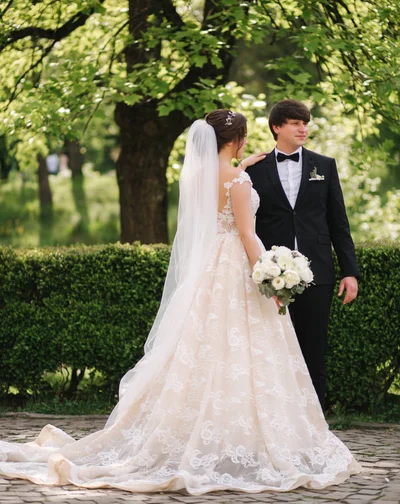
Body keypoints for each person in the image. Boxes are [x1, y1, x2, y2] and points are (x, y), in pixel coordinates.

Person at [0, 110, 361, 494]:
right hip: (236, 269)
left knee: (204, 351)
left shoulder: (201, 176)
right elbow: (248, 236)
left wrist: (246, 165)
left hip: (209, 272)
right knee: (247, 353)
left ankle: (199, 433)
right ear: (235, 139)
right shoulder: (237, 179)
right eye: (243, 137)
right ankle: (247, 438)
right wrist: (271, 279)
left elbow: (223, 199)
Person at [244, 99, 360, 410]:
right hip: (268, 277)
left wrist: (350, 271)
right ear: (276, 127)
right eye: (295, 123)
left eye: (305, 122)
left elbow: (339, 223)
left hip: (317, 273)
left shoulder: (324, 165)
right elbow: (244, 223)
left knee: (313, 349)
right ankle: (276, 418)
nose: (303, 128)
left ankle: (315, 421)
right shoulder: (255, 169)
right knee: (271, 350)